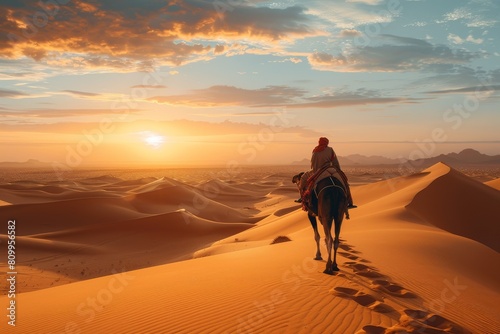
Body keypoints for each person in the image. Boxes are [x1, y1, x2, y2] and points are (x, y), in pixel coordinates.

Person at [296, 137, 356, 209]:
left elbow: (313, 163)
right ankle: (350, 203)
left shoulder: (315, 151)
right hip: (331, 170)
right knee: (345, 182)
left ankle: (302, 198)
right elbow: (335, 161)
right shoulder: (330, 150)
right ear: (327, 142)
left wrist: (316, 170)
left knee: (303, 179)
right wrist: (338, 170)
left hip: (319, 170)